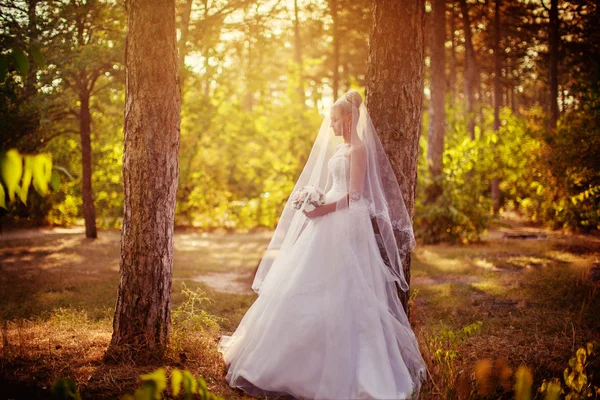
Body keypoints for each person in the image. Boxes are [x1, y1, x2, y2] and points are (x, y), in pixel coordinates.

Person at [218, 90, 426, 399]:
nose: (329, 125)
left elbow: (355, 195)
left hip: (345, 223)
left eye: (333, 119)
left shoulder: (358, 149)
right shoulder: (340, 149)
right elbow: (334, 187)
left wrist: (321, 209)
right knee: (303, 284)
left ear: (349, 118)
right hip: (327, 219)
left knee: (346, 289)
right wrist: (314, 198)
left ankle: (348, 370)